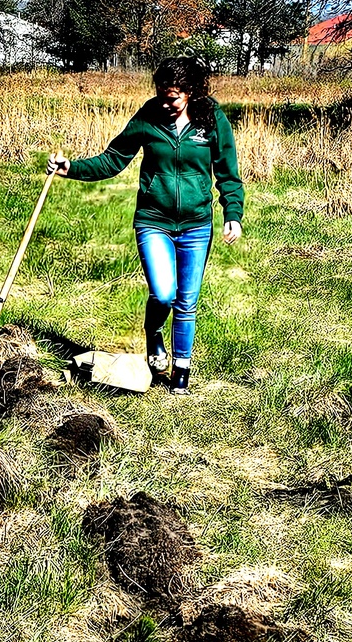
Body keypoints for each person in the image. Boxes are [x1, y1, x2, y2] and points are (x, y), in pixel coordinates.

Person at [47, 56, 244, 394]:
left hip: (197, 224)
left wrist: (233, 214)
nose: (165, 103)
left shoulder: (212, 119)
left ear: (191, 92)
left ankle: (181, 369)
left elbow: (227, 171)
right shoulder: (148, 116)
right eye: (162, 94)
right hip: (153, 221)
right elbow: (113, 159)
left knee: (187, 300)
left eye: (173, 97)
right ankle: (154, 335)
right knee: (164, 293)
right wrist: (71, 168)